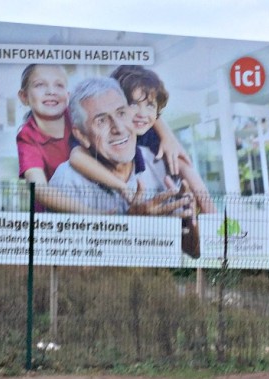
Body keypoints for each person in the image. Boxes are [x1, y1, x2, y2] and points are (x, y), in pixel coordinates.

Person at [49, 77, 200, 258]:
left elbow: (194, 253)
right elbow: (71, 265)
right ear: (81, 136)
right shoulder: (66, 181)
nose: (119, 128)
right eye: (101, 121)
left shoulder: (160, 163)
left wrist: (190, 224)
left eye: (121, 113)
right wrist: (132, 227)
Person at [69, 65, 216, 213]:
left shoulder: (149, 134)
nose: (142, 113)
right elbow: (76, 157)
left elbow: (185, 167)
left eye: (150, 106)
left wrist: (212, 214)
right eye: (133, 104)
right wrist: (122, 188)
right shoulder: (98, 132)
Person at [16, 64, 96, 213]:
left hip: (95, 201)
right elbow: (39, 189)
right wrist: (91, 213)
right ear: (24, 97)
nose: (51, 92)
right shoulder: (27, 136)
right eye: (40, 85)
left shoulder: (79, 116)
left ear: (68, 95)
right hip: (53, 219)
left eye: (59, 85)